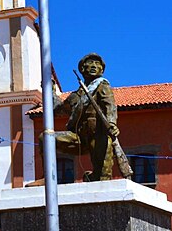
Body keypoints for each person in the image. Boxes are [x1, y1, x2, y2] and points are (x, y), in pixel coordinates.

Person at [44, 53, 119, 182]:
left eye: (98, 64)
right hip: (79, 137)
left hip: (98, 135)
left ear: (102, 69)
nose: (94, 66)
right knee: (46, 139)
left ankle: (98, 176)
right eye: (91, 63)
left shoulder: (102, 86)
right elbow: (60, 110)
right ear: (83, 69)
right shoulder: (76, 95)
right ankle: (48, 179)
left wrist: (111, 124)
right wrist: (50, 92)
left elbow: (110, 106)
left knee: (103, 177)